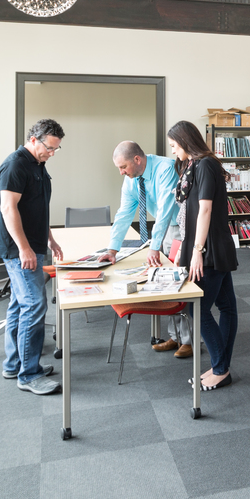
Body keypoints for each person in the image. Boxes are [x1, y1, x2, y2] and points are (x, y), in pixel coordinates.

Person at [99, 141, 190, 357]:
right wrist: (112, 249)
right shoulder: (131, 180)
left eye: (123, 167)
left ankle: (190, 340)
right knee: (168, 282)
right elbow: (124, 214)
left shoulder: (165, 169)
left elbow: (166, 209)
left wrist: (154, 246)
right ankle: (176, 336)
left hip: (181, 229)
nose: (121, 172)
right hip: (165, 229)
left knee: (184, 283)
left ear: (137, 160)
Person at [0, 119, 66, 395]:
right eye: (49, 148)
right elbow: (8, 208)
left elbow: (35, 208)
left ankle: (14, 364)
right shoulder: (15, 164)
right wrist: (24, 248)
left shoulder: (38, 164)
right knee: (34, 306)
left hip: (33, 244)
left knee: (19, 304)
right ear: (34, 139)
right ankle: (29, 374)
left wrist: (50, 238)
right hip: (19, 249)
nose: (51, 154)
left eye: (56, 150)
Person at [167, 120, 238, 390]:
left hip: (209, 249)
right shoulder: (191, 166)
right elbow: (190, 213)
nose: (173, 151)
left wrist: (197, 251)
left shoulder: (206, 164)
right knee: (226, 307)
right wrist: (183, 249)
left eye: (174, 146)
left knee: (195, 307)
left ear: (185, 142)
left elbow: (205, 210)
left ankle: (221, 368)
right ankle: (221, 368)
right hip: (202, 246)